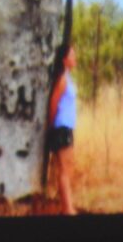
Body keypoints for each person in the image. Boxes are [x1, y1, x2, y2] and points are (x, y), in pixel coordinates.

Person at [47, 42, 77, 215]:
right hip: (61, 127)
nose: (75, 58)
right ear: (65, 60)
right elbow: (53, 103)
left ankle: (65, 205)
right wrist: (51, 126)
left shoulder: (67, 77)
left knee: (66, 169)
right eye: (72, 55)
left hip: (66, 127)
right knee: (64, 170)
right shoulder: (63, 80)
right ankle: (68, 209)